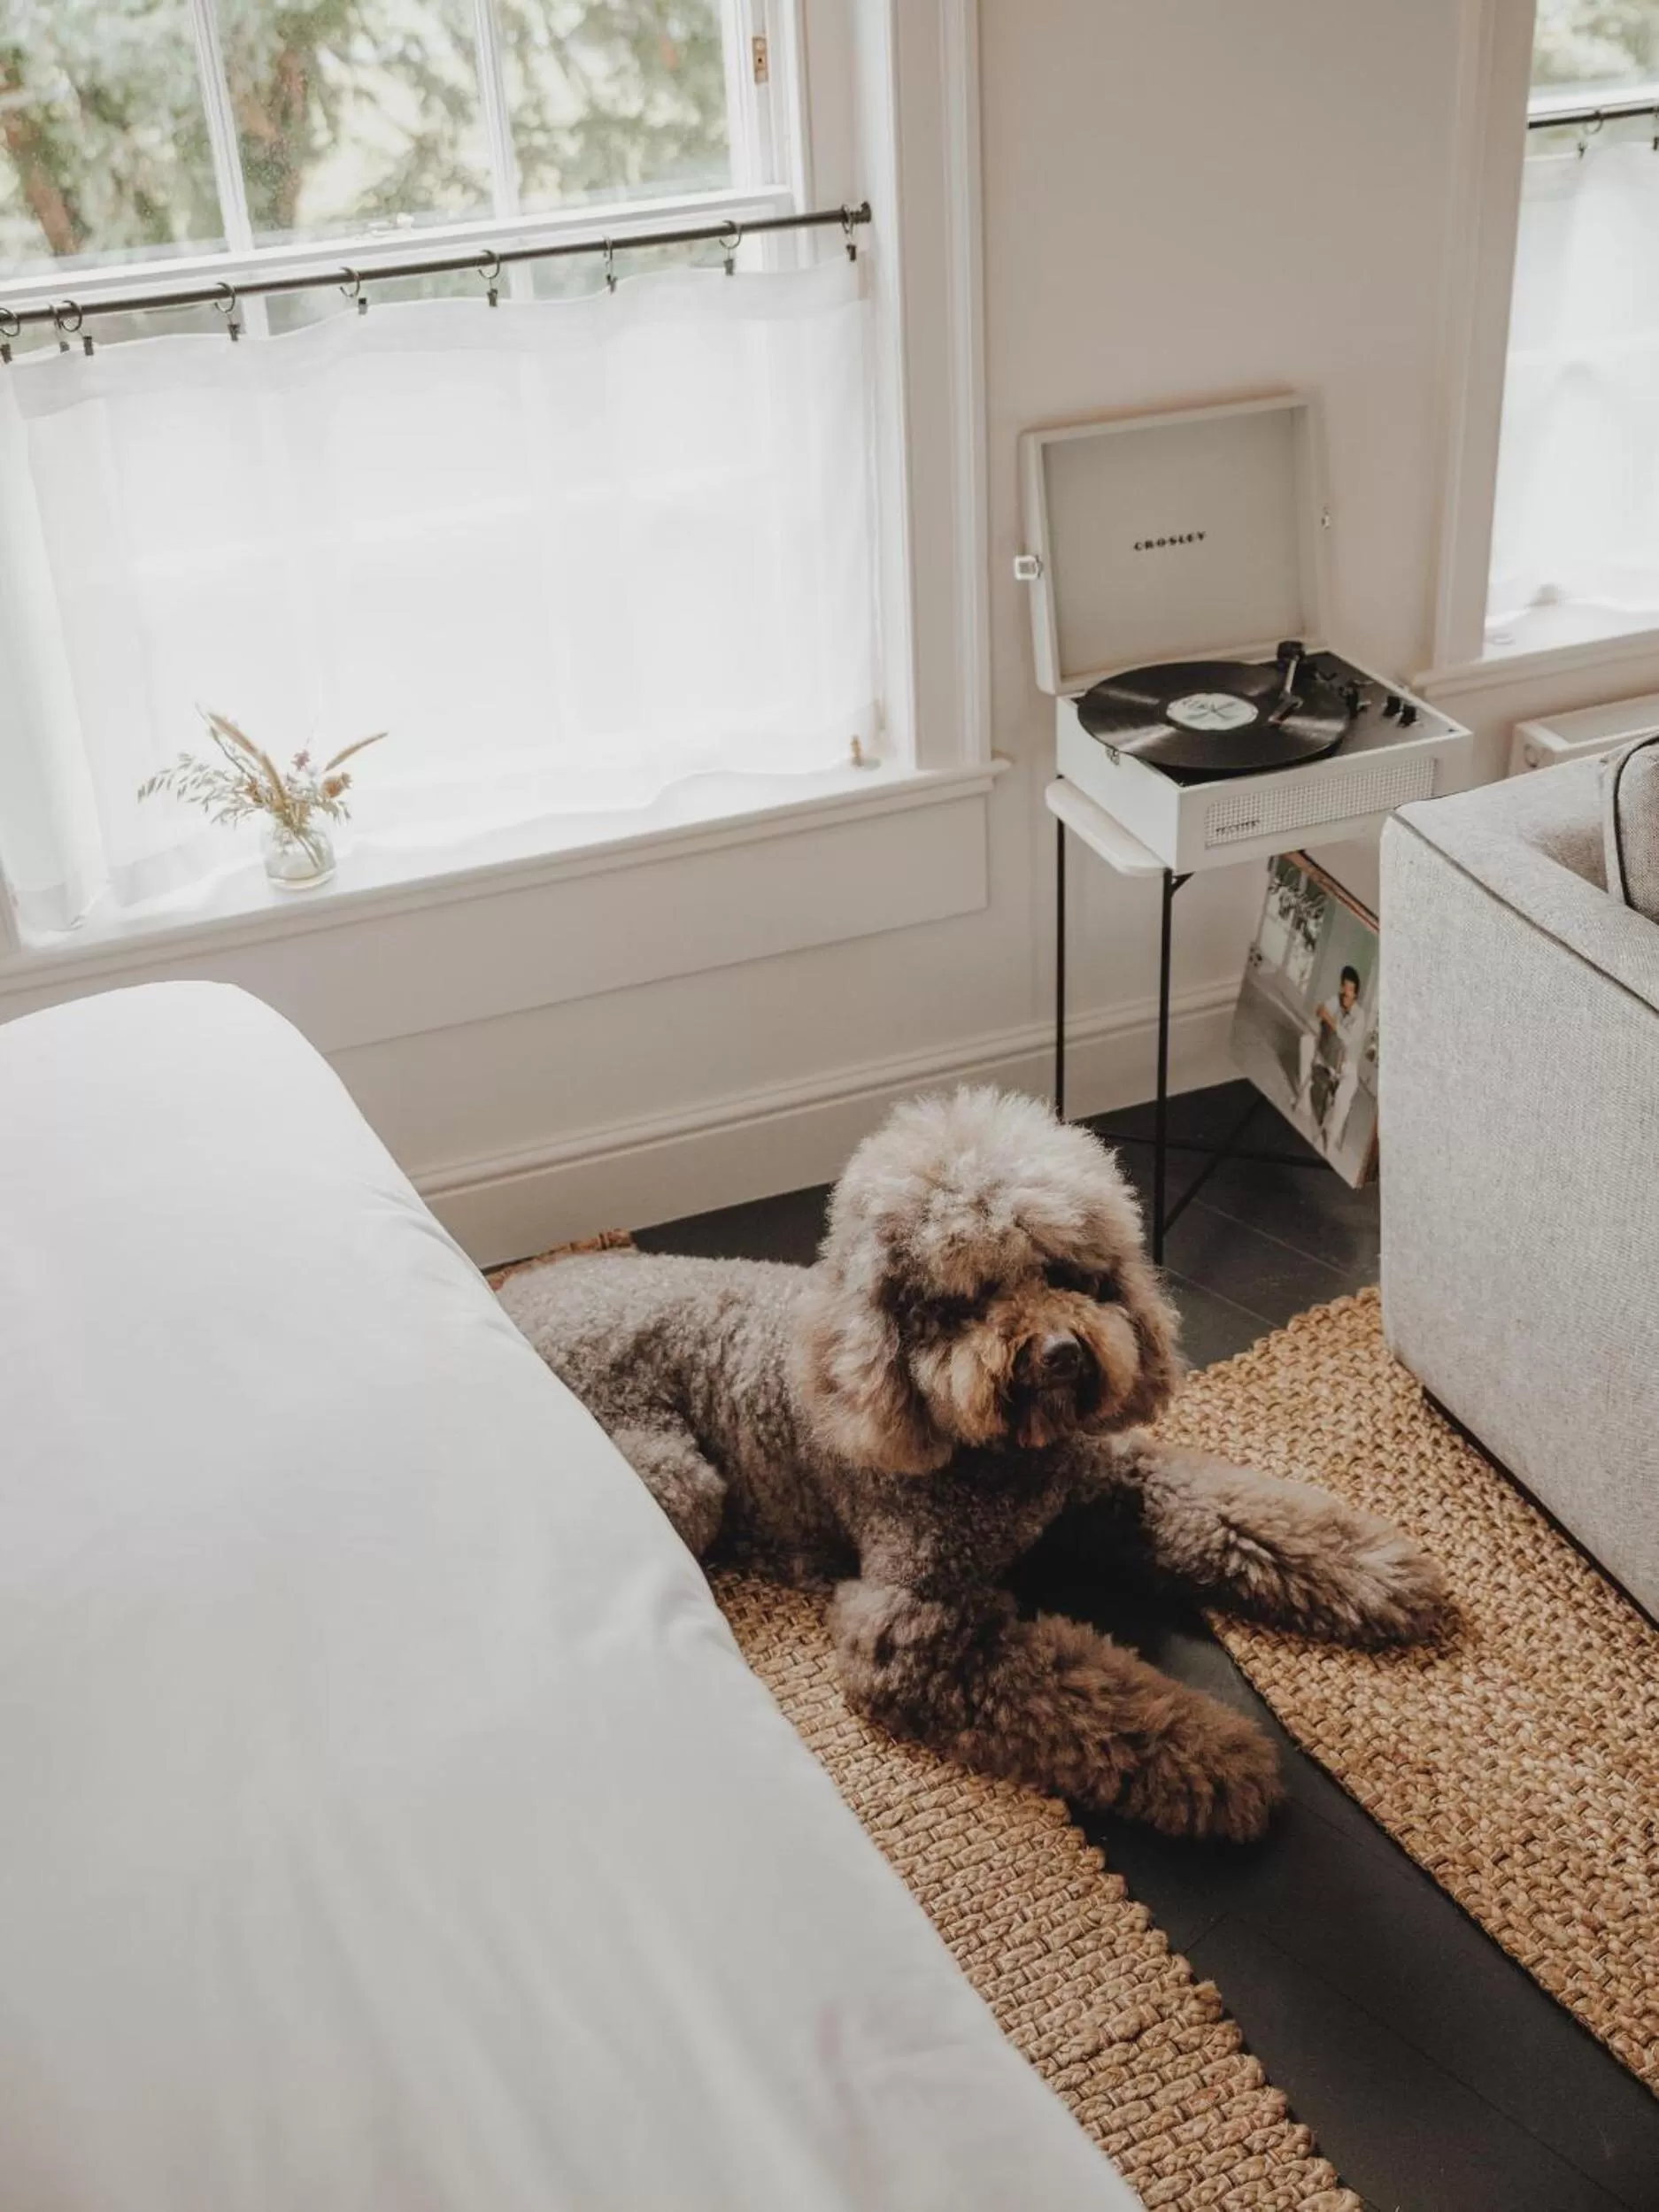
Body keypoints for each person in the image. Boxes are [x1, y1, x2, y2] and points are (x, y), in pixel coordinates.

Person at [1296, 964, 1368, 1147]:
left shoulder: (1360, 1016)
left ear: (1356, 994)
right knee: (1306, 1041)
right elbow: (1319, 1010)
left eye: (1350, 989)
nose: (1345, 992)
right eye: (1344, 986)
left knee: (1347, 1090)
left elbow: (1347, 1038)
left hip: (1346, 1064)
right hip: (1325, 1053)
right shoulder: (1336, 999)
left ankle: (1332, 1132)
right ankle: (1304, 1099)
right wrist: (1325, 1014)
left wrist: (1329, 1019)